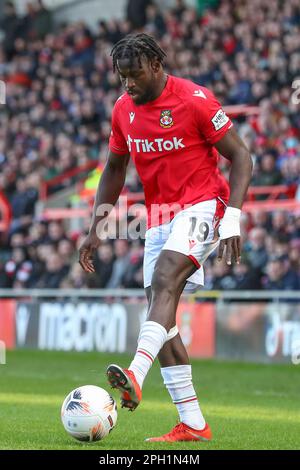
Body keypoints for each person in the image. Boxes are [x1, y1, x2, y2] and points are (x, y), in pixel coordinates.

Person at [79, 33, 252, 442]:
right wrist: (96, 228)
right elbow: (114, 169)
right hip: (159, 217)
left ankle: (135, 374)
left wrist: (233, 218)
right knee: (164, 316)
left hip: (204, 204)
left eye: (135, 74)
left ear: (156, 66)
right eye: (122, 76)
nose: (128, 84)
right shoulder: (123, 110)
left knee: (165, 280)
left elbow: (242, 156)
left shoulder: (194, 100)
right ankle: (193, 423)